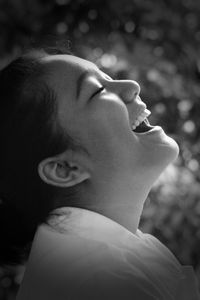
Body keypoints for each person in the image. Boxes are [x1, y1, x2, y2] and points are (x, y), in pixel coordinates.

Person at [0, 45, 199, 300]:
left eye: (107, 76)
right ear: (64, 169)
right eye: (97, 91)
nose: (131, 86)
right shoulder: (103, 285)